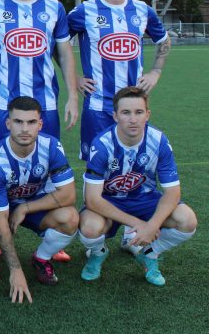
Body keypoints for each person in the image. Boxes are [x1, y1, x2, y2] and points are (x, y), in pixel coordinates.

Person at [0, 0, 78, 263]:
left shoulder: (54, 8)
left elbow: (64, 53)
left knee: (48, 170)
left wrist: (73, 95)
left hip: (45, 107)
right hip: (6, 108)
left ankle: (49, 239)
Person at [67, 0, 171, 254]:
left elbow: (163, 41)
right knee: (97, 168)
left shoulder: (142, 11)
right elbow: (59, 42)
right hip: (98, 107)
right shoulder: (85, 11)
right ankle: (95, 240)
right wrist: (74, 78)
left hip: (133, 109)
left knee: (138, 166)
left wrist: (155, 71)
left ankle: (130, 230)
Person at [78, 87, 197, 287]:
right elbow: (92, 199)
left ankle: (150, 254)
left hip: (144, 199)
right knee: (89, 228)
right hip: (108, 201)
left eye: (138, 112)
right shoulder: (101, 145)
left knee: (187, 220)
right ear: (115, 116)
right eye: (126, 113)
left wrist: (152, 226)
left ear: (147, 115)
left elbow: (173, 192)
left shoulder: (158, 141)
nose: (133, 119)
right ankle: (99, 253)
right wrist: (138, 224)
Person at [0, 96, 78, 302]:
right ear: (8, 124)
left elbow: (69, 194)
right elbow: (0, 221)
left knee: (70, 218)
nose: (24, 129)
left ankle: (41, 258)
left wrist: (25, 208)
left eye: (31, 122)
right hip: (0, 206)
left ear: (40, 124)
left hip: (34, 204)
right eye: (18, 122)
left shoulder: (52, 146)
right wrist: (16, 270)